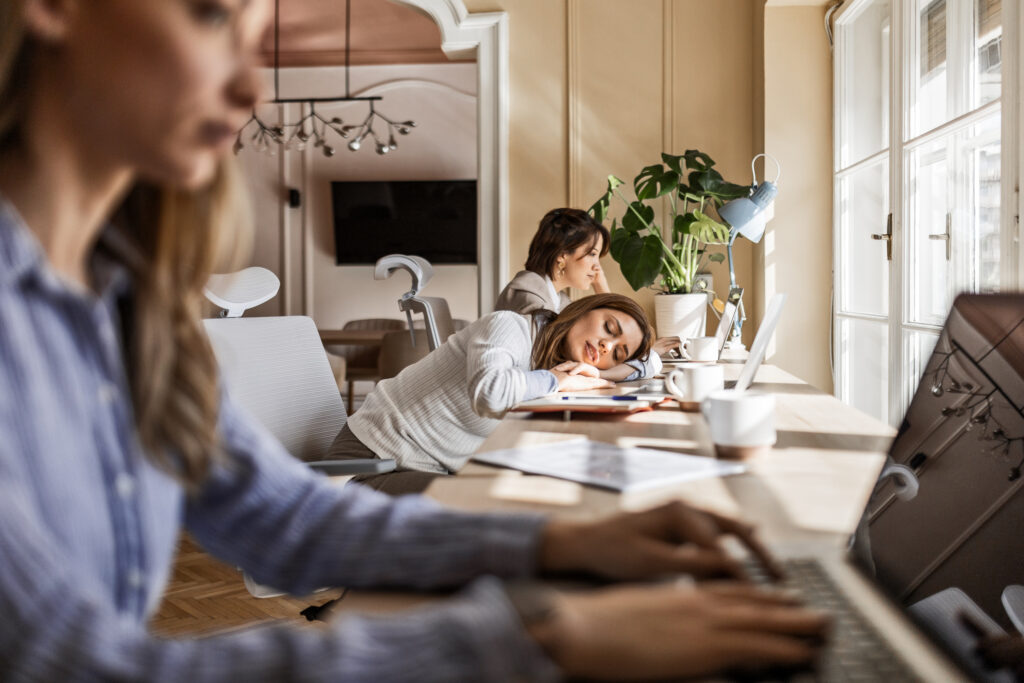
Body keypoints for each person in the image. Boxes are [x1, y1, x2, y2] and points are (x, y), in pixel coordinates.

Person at [0, 0, 829, 680]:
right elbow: (70, 661)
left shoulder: (129, 307)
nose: (252, 83)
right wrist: (539, 637)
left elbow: (281, 512)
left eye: (258, 37)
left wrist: (563, 538)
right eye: (212, 15)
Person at [329, 293, 651, 491]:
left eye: (619, 352)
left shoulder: (556, 363)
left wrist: (615, 370)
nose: (608, 345)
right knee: (495, 507)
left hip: (425, 466)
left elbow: (646, 364)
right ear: (584, 308)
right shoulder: (509, 327)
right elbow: (491, 393)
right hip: (370, 462)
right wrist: (554, 381)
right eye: (609, 328)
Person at [496, 207, 679, 380]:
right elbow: (562, 367)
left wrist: (601, 285)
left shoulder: (559, 299)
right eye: (592, 254)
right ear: (562, 254)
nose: (597, 267)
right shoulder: (529, 298)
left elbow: (617, 323)